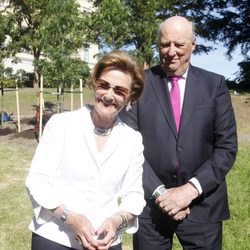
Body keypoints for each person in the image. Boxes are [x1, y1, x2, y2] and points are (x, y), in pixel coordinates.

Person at [120, 16, 238, 249]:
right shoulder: (139, 84)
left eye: (179, 44)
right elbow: (126, 145)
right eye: (165, 44)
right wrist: (161, 194)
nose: (171, 51)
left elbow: (226, 147)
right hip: (151, 205)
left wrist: (190, 190)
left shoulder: (214, 85)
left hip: (203, 204)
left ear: (193, 44)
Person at [26, 50, 146, 250]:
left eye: (119, 91)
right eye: (104, 85)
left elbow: (134, 195)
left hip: (105, 243)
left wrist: (118, 221)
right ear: (94, 83)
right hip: (54, 238)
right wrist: (70, 217)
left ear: (130, 96)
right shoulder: (61, 124)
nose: (109, 95)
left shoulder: (132, 140)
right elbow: (37, 181)